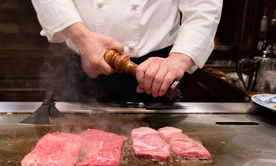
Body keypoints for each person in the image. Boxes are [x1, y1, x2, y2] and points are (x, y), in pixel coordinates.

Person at [31, 0, 223, 103]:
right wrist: (82, 38)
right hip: (85, 64)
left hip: (160, 74)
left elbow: (204, 7)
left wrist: (179, 60)